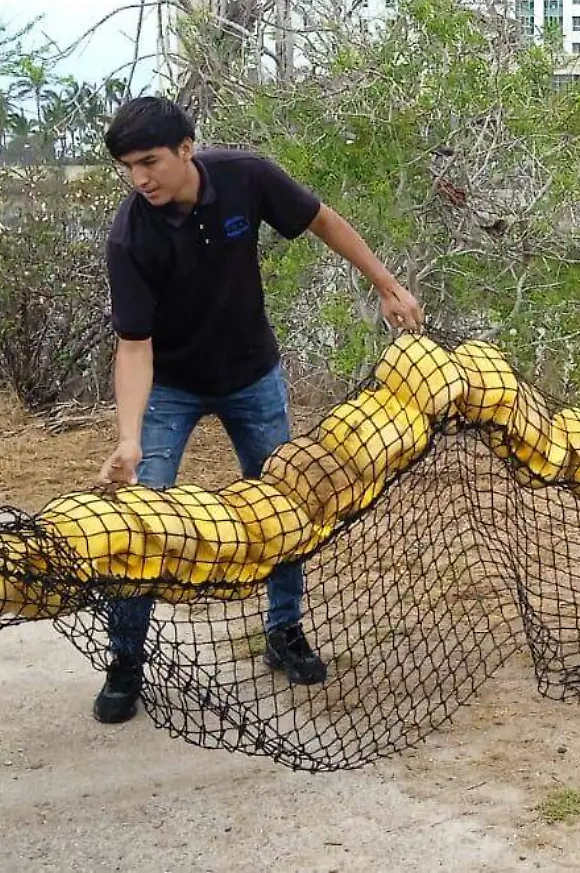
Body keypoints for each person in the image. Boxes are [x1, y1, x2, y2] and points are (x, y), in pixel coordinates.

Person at [92, 97, 424, 726]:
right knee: (135, 521)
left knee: (285, 504)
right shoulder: (129, 235)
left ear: (186, 148)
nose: (139, 179)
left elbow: (324, 221)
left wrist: (386, 283)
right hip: (171, 386)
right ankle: (125, 660)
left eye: (149, 162)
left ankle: (284, 630)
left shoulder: (247, 176)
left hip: (252, 374)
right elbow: (133, 348)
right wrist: (129, 438)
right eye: (127, 168)